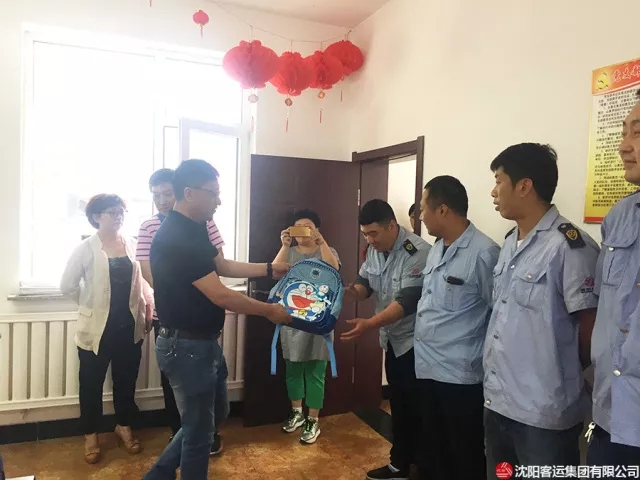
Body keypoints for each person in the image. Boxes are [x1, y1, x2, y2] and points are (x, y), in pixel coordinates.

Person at [143, 159, 292, 480]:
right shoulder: (177, 237)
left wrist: (269, 268)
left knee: (213, 415)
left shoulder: (194, 227)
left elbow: (221, 265)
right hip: (186, 346)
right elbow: (221, 295)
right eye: (213, 193)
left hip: (202, 342)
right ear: (189, 193)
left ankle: (159, 474)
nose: (219, 200)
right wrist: (269, 310)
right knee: (200, 433)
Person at [483, 143, 599, 478]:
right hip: (498, 402)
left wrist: (561, 374)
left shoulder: (569, 246)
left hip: (543, 413)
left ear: (524, 186)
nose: (493, 192)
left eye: (498, 181)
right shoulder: (510, 242)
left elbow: (589, 327)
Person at [136, 168, 227, 455]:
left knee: (208, 395)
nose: (162, 200)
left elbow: (220, 264)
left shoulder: (203, 222)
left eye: (167, 193)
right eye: (156, 196)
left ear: (179, 193)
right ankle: (181, 436)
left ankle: (198, 436)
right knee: (179, 389)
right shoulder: (154, 229)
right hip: (172, 318)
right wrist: (180, 293)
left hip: (202, 319)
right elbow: (149, 272)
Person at [414, 176, 499, 480]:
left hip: (460, 377)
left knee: (464, 455)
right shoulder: (437, 248)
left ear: (442, 210)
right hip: (427, 368)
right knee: (434, 452)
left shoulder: (484, 253)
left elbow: (498, 313)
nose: (419, 216)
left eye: (423, 208)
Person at [60, 194, 153, 464]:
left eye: (121, 211)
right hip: (95, 331)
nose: (118, 216)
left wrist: (148, 307)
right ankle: (91, 435)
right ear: (96, 217)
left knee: (126, 382)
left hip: (129, 328)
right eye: (112, 212)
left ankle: (124, 426)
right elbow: (67, 286)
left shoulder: (132, 244)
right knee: (91, 385)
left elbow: (142, 283)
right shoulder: (85, 248)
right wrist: (90, 305)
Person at [341, 199, 430, 480]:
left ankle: (418, 465)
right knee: (400, 406)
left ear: (392, 225)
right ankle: (401, 464)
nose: (369, 240)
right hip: (392, 342)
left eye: (374, 233)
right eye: (365, 234)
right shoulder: (375, 251)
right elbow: (365, 283)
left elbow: (407, 302)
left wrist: (369, 324)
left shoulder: (417, 251)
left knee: (418, 408)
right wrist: (349, 293)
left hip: (416, 344)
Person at [587, 90, 640, 468]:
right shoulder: (618, 217)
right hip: (610, 412)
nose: (623, 146)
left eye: (638, 133)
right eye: (624, 132)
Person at [273, 209, 340, 444]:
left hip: (319, 320)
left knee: (315, 371)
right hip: (291, 320)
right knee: (292, 369)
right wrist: (284, 245)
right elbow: (275, 271)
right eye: (298, 226)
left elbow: (335, 271)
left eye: (308, 226)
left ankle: (313, 419)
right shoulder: (289, 252)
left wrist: (322, 243)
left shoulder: (327, 251)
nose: (303, 231)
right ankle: (297, 413)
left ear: (317, 229)